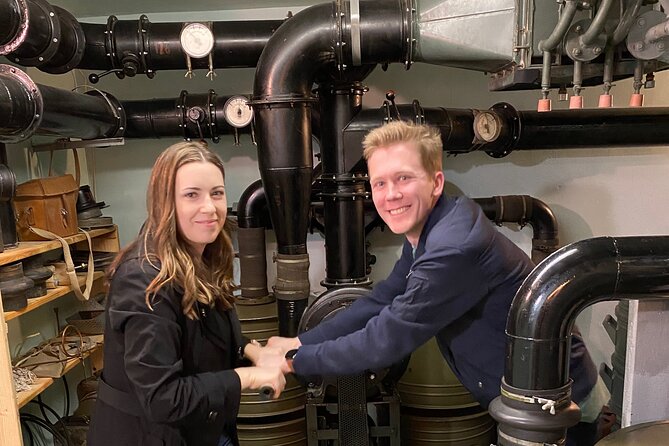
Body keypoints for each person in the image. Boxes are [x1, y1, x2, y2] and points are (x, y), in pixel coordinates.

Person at [263, 121, 609, 445]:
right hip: (524, 392)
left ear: (436, 182)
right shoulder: (433, 225)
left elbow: (384, 340)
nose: (390, 195)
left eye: (404, 178)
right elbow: (382, 298)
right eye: (380, 183)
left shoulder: (451, 249)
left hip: (558, 408)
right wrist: (300, 340)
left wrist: (295, 361)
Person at [88, 141, 286, 446]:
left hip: (204, 426)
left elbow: (202, 336)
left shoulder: (201, 254)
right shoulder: (142, 280)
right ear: (165, 203)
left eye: (217, 193)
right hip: (151, 436)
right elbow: (162, 397)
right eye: (192, 195)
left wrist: (252, 351)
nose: (209, 207)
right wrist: (248, 377)